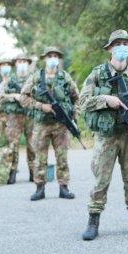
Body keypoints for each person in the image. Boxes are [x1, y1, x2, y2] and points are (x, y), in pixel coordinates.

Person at [79, 30, 128, 241]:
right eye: (118, 44)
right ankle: (93, 220)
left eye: (126, 43)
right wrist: (105, 99)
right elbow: (82, 102)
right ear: (110, 49)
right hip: (107, 136)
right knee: (101, 180)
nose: (123, 47)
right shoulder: (98, 74)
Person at [20, 47, 79, 201]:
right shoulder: (36, 78)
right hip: (41, 124)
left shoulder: (65, 77)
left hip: (61, 125)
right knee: (40, 158)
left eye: (56, 56)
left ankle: (63, 188)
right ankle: (40, 188)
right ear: (45, 59)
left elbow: (77, 98)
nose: (53, 58)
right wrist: (41, 106)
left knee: (62, 157)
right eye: (50, 56)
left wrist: (74, 116)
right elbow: (23, 98)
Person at [11, 54, 36, 182]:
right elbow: (2, 96)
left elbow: (38, 94)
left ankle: (33, 173)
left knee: (32, 145)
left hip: (30, 115)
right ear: (16, 63)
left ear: (28, 63)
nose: (22, 63)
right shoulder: (10, 80)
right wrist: (13, 96)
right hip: (15, 117)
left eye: (24, 61)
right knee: (13, 145)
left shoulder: (33, 79)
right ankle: (12, 173)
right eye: (20, 61)